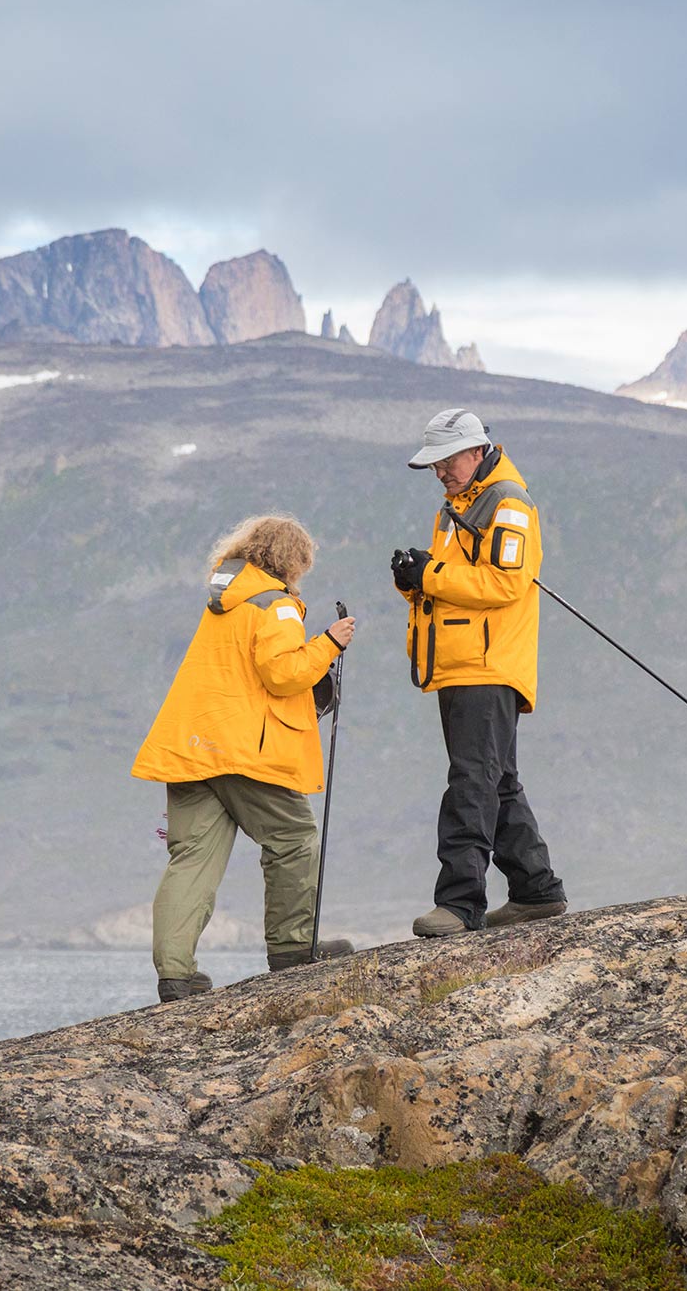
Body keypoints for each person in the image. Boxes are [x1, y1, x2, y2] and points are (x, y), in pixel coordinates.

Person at [131, 514, 358, 1002]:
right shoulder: (276, 605)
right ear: (292, 560)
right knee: (294, 839)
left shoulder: (224, 604)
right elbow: (282, 674)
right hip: (241, 750)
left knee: (191, 859)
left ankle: (176, 975)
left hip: (192, 746)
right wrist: (329, 643)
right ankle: (293, 950)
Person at [391, 409, 568, 938]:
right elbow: (454, 583)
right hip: (461, 663)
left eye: (446, 462)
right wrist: (414, 578)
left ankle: (460, 903)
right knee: (498, 779)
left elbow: (505, 584)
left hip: (486, 666)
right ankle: (536, 890)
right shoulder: (456, 505)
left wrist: (431, 573)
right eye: (433, 466)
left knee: (472, 780)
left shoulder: (508, 502)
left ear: (474, 451)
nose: (440, 473)